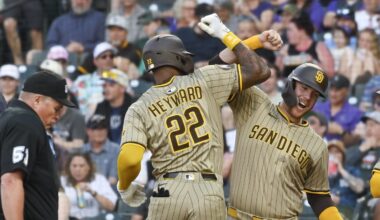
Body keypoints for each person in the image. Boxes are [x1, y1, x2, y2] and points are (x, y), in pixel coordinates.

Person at [117, 13, 282, 219]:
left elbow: (129, 160)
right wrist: (229, 35)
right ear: (179, 58)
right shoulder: (204, 81)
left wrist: (124, 185)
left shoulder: (139, 107)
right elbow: (259, 70)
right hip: (207, 192)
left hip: (167, 193)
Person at [224, 63, 342, 219]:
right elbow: (217, 74)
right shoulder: (256, 105)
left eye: (314, 94)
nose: (307, 97)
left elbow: (318, 196)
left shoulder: (317, 145)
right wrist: (254, 42)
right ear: (289, 84)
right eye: (304, 88)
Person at [0, 71, 75, 219]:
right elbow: (10, 180)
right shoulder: (25, 123)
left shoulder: (13, 118)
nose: (58, 115)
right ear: (37, 100)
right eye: (57, 108)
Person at [61, 152, 117, 219]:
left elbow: (112, 207)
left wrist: (93, 193)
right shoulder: (62, 181)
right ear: (69, 167)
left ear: (89, 167)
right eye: (74, 166)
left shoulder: (100, 180)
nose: (77, 169)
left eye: (81, 166)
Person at [95, 69, 136, 144]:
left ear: (122, 88)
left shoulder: (135, 106)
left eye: (111, 85)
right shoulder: (100, 107)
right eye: (104, 85)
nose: (106, 89)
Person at [82, 114, 120, 186]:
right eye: (96, 128)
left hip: (109, 192)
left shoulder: (116, 150)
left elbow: (113, 179)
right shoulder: (82, 150)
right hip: (85, 191)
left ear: (107, 130)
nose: (100, 132)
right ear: (88, 131)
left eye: (103, 128)